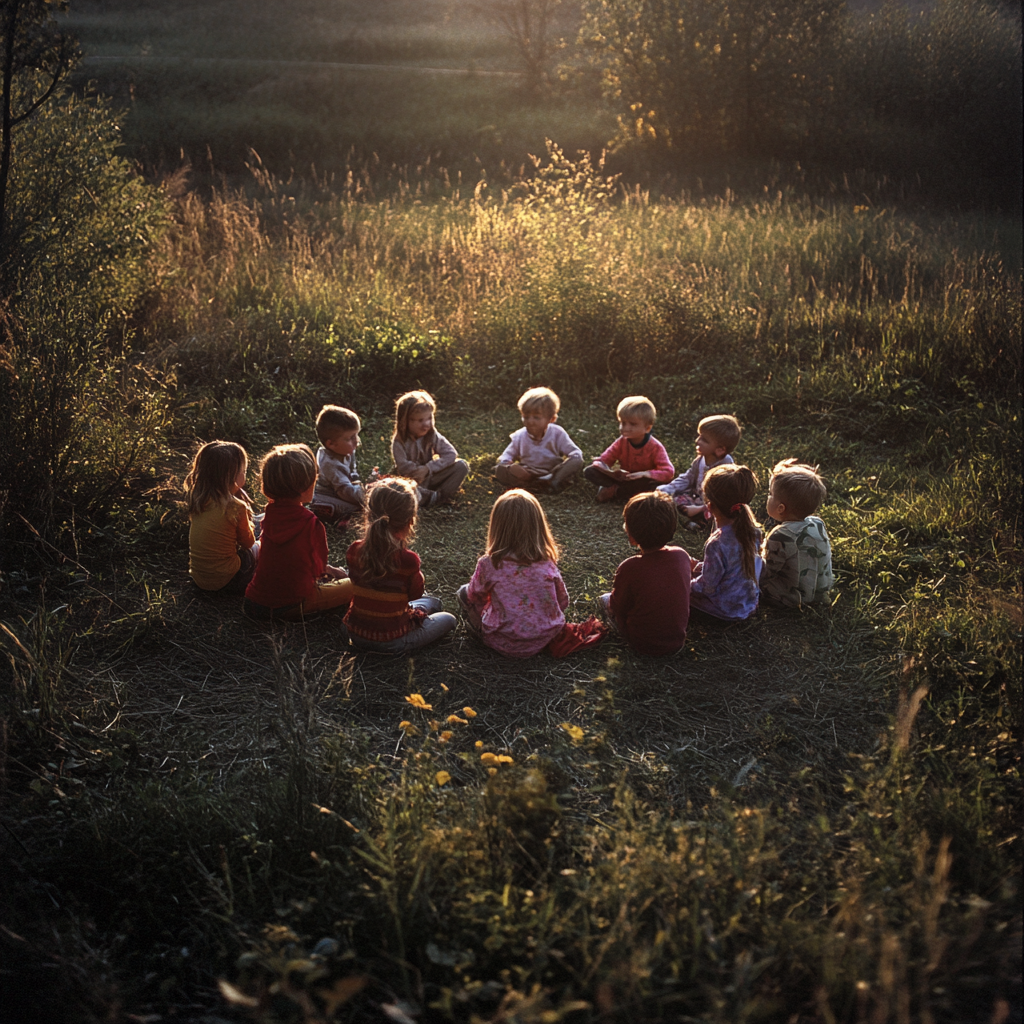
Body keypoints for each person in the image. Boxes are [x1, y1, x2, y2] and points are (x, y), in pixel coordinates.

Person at [345, 477, 456, 653]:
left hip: (355, 633)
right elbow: (414, 594)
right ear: (410, 521)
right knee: (448, 618)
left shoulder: (354, 550)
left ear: (368, 514)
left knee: (432, 602)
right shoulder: (408, 560)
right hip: (393, 640)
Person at [243, 444, 352, 621]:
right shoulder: (310, 523)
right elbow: (318, 570)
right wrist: (337, 573)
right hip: (291, 605)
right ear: (306, 488)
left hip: (254, 601)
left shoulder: (269, 513)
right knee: (352, 587)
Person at [457, 489, 569, 657]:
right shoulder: (546, 562)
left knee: (463, 592)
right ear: (538, 526)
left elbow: (475, 597)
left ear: (497, 527)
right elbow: (563, 601)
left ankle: (479, 629)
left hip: (500, 640)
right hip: (546, 638)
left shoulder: (489, 563)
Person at [599, 491, 691, 655]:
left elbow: (617, 606)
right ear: (673, 529)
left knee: (604, 600)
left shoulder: (630, 567)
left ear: (631, 537)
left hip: (641, 644)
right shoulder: (682, 556)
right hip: (677, 642)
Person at [184, 440, 260, 594]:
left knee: (258, 520)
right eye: (244, 472)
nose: (245, 476)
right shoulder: (235, 507)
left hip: (199, 579)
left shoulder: (198, 499)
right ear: (231, 476)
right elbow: (247, 543)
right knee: (260, 542)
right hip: (230, 580)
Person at [689, 464, 763, 622]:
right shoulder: (754, 531)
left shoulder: (717, 543)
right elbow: (734, 568)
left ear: (710, 506)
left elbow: (707, 587)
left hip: (725, 611)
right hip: (748, 605)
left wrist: (683, 584)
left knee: (677, 594)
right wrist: (698, 567)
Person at [760, 459, 834, 608]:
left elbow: (766, 571)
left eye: (770, 494)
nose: (768, 497)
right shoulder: (817, 523)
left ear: (781, 508)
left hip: (791, 598)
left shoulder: (780, 535)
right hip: (819, 591)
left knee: (752, 582)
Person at [583, 395, 675, 502]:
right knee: (590, 471)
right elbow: (604, 460)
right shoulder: (622, 441)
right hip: (624, 478)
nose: (625, 428)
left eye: (632, 424)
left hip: (642, 480)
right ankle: (618, 490)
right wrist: (608, 471)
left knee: (652, 486)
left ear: (647, 428)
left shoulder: (655, 446)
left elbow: (668, 472)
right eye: (623, 423)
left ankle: (618, 492)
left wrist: (645, 474)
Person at [657, 414, 741, 529]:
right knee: (671, 499)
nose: (697, 441)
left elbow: (724, 498)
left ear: (720, 450)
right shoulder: (700, 459)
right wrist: (668, 489)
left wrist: (702, 508)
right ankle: (689, 520)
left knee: (723, 514)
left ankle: (700, 524)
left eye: (704, 440)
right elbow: (688, 478)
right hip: (697, 498)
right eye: (699, 436)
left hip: (714, 506)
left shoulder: (725, 466)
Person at [493, 387, 583, 494]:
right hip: (529, 472)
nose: (530, 422)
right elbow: (506, 456)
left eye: (536, 417)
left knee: (577, 460)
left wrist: (564, 468)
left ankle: (554, 482)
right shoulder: (520, 436)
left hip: (553, 471)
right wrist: (506, 465)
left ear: (552, 419)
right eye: (526, 417)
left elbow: (575, 453)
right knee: (501, 469)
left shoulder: (557, 433)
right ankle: (534, 484)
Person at [390, 390, 469, 506]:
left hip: (431, 476)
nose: (426, 424)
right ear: (405, 421)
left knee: (461, 466)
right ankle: (427, 497)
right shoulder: (399, 442)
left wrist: (428, 468)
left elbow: (450, 454)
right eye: (420, 420)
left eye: (429, 419)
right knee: (399, 490)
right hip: (413, 481)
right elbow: (403, 466)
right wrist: (417, 472)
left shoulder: (431, 434)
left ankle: (439, 496)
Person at [310, 404, 365, 527]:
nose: (357, 441)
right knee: (360, 508)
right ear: (331, 444)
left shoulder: (346, 450)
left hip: (342, 489)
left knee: (361, 505)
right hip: (327, 496)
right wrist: (366, 495)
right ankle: (340, 520)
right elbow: (345, 492)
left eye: (356, 435)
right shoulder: (330, 464)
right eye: (350, 438)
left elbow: (352, 471)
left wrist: (357, 482)